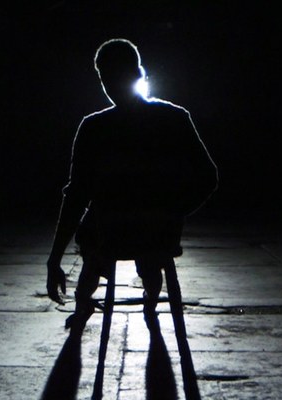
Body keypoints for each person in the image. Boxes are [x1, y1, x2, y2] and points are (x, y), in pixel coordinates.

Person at [46, 38, 218, 328]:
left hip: (108, 234)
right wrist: (174, 211)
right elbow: (208, 176)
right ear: (138, 73)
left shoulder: (94, 127)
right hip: (159, 233)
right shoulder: (175, 118)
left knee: (94, 229)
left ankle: (84, 300)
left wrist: (55, 259)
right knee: (143, 247)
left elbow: (76, 195)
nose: (108, 85)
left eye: (108, 77)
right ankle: (150, 296)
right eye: (105, 78)